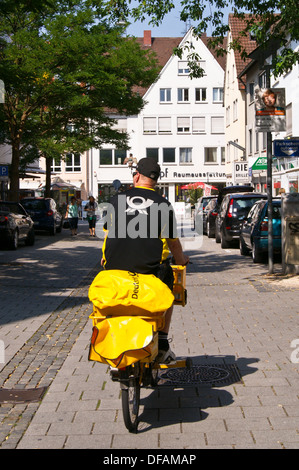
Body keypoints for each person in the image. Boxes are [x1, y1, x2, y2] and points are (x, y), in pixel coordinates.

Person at [101, 157, 189, 363]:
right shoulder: (164, 205)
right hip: (150, 272)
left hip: (115, 271)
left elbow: (107, 235)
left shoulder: (116, 200)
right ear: (156, 181)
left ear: (136, 176)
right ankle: (163, 343)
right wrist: (182, 261)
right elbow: (173, 243)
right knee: (171, 290)